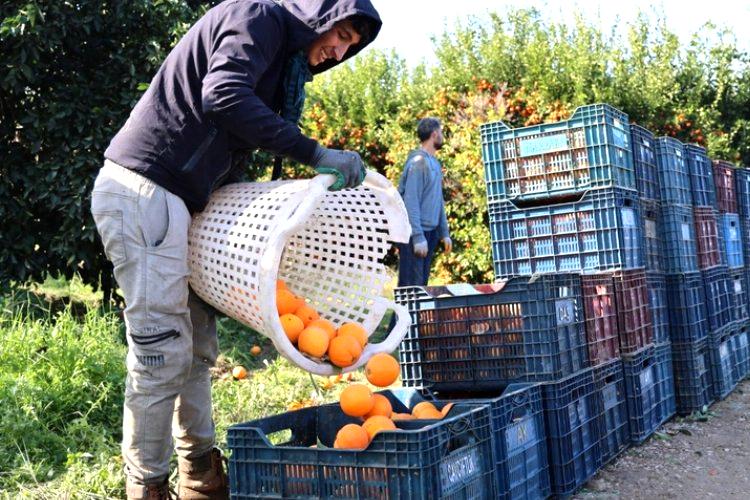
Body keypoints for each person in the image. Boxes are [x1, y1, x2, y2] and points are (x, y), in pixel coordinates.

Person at [89, 1, 381, 499]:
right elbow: (223, 95)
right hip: (145, 191)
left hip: (181, 202)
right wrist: (312, 152)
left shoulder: (280, 56)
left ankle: (200, 471)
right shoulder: (257, 17)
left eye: (350, 44)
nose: (339, 48)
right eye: (340, 33)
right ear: (318, 15)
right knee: (162, 350)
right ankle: (148, 485)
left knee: (197, 350)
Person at [397, 117, 452, 286]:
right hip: (414, 235)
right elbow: (410, 202)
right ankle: (401, 314)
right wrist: (418, 237)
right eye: (441, 132)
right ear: (434, 134)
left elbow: (438, 200)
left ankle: (410, 314)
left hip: (430, 234)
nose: (442, 136)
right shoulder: (419, 163)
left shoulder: (433, 163)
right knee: (410, 290)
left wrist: (444, 232)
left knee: (421, 289)